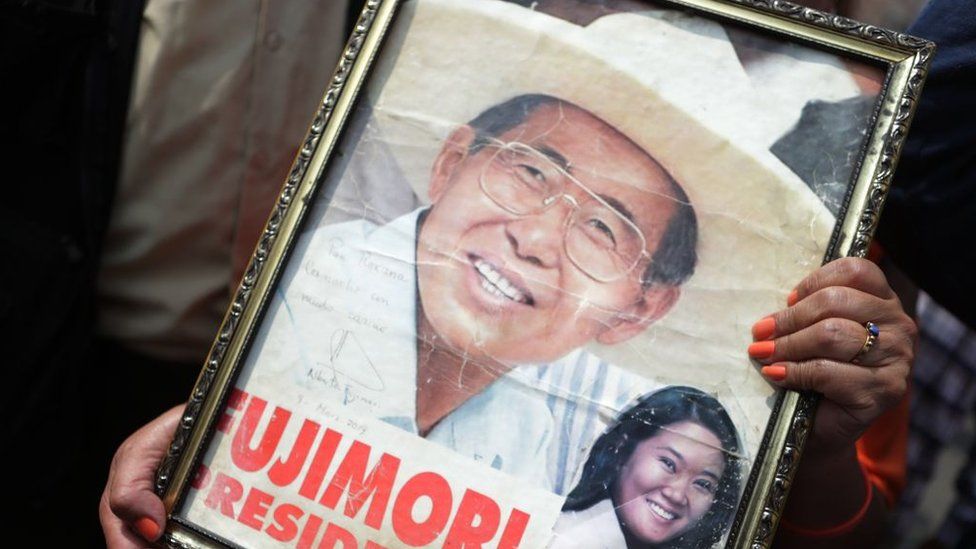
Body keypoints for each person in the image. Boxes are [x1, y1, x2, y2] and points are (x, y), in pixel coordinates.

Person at [552, 386, 741, 548]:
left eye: (703, 484)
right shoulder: (568, 538)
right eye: (668, 463)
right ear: (623, 448)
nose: (677, 495)